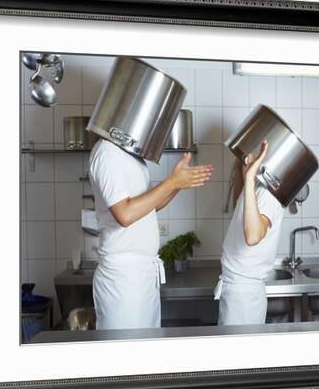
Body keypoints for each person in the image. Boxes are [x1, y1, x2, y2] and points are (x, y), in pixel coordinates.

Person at [89, 139, 213, 330]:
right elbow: (125, 214)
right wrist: (172, 181)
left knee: (145, 354)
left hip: (143, 277)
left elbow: (150, 206)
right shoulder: (107, 152)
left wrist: (177, 184)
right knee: (124, 353)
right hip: (123, 280)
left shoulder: (131, 154)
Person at [214, 140, 285, 325]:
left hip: (244, 296)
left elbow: (253, 236)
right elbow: (241, 206)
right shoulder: (257, 187)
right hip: (236, 290)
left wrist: (250, 176)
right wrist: (240, 170)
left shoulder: (271, 194)